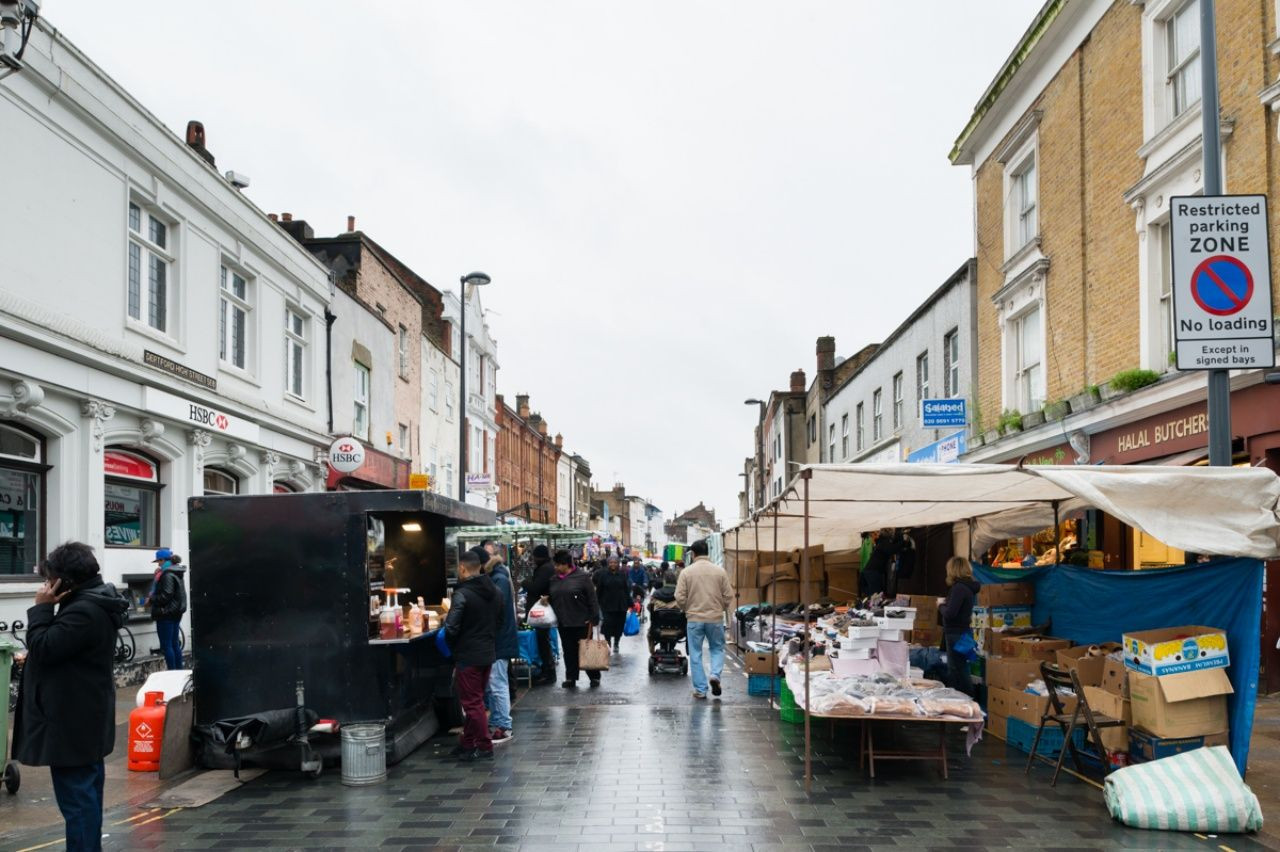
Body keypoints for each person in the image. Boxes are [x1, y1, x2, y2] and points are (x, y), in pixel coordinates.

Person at [13, 542, 129, 852]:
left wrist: (41, 608)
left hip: (72, 723)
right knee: (86, 796)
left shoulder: (84, 611)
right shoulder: (93, 602)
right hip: (84, 718)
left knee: (78, 802)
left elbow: (46, 647)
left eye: (49, 578)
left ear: (65, 581)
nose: (45, 585)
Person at [443, 550, 500, 761]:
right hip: (487, 653)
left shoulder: (462, 594)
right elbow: (500, 622)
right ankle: (467, 743)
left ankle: (485, 746)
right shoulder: (494, 590)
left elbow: (450, 627)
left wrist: (453, 647)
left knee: (472, 703)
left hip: (468, 655)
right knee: (474, 700)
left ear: (462, 568)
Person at [675, 539, 732, 700]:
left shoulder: (686, 572)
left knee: (696, 653)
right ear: (707, 552)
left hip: (694, 618)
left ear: (693, 554)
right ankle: (715, 675)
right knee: (717, 649)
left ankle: (700, 689)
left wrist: (687, 608)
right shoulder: (720, 572)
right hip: (715, 618)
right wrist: (720, 607)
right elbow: (728, 596)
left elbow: (679, 597)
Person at [548, 548, 601, 688]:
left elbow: (592, 598)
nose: (556, 567)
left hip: (582, 621)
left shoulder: (582, 577)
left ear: (566, 564)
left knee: (586, 649)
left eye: (558, 564)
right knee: (568, 651)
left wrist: (594, 617)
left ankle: (594, 676)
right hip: (563, 622)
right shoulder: (554, 580)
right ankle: (571, 677)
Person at [482, 554, 518, 744]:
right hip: (498, 640)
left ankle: (504, 727)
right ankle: (498, 722)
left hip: (499, 641)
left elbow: (497, 612)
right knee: (494, 684)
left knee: (497, 684)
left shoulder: (498, 579)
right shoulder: (498, 577)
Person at [939, 556, 980, 697]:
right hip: (962, 633)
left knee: (958, 671)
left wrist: (941, 606)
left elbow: (950, 614)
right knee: (960, 669)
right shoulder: (967, 587)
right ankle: (965, 700)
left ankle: (967, 701)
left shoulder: (959, 588)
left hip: (955, 634)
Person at [520, 545, 557, 685]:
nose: (533, 559)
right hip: (540, 611)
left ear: (539, 556)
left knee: (544, 643)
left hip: (541, 612)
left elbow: (536, 587)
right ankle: (546, 670)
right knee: (543, 642)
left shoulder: (545, 569)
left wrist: (524, 582)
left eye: (535, 556)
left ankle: (548, 672)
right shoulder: (546, 567)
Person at [146, 547, 186, 670]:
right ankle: (178, 672)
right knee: (174, 644)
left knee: (167, 646)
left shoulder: (167, 574)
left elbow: (166, 595)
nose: (158, 564)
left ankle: (172, 674)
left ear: (163, 560)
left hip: (166, 613)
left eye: (159, 561)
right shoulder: (175, 571)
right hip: (175, 612)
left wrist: (151, 600)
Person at [596, 557, 632, 652]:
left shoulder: (622, 575)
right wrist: (596, 603)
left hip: (620, 605)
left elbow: (626, 590)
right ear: (608, 564)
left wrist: (630, 603)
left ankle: (616, 642)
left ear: (618, 564)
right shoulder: (603, 575)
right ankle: (608, 642)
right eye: (611, 562)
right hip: (607, 605)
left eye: (615, 562)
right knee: (607, 624)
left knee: (619, 625)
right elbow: (599, 590)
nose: (613, 564)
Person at [860, 528, 902, 599]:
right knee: (877, 593)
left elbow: (891, 548)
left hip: (871, 571)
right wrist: (902, 541)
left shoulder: (882, 542)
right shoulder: (883, 543)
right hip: (873, 571)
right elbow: (892, 549)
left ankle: (871, 602)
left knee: (876, 592)